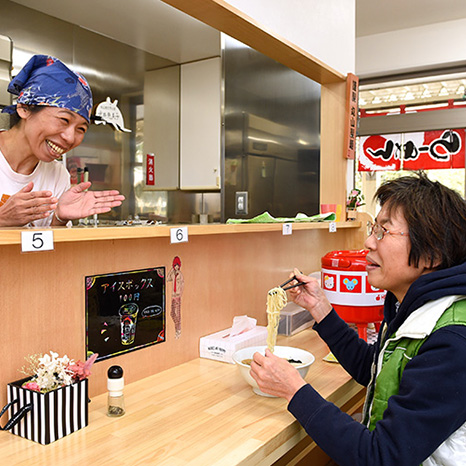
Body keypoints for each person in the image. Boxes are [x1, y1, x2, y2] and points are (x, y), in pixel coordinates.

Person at [250, 172, 466, 466]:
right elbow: (375, 369)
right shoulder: (416, 305)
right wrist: (321, 309)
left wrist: (294, 390)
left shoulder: (452, 340)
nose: (368, 241)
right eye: (372, 228)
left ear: (431, 254)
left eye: (383, 232)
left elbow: (381, 457)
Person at [0, 54, 124, 227]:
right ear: (25, 108)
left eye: (81, 129)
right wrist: (2, 219)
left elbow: (47, 249)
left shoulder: (58, 175)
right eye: (64, 120)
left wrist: (59, 217)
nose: (70, 138)